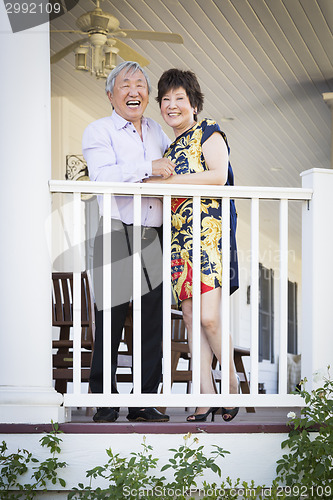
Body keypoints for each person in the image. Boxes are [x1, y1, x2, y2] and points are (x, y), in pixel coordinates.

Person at [82, 61, 175, 423]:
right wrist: (148, 169)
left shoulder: (157, 131)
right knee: (111, 320)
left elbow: (175, 169)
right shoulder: (99, 130)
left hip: (154, 233)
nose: (134, 91)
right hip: (117, 230)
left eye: (140, 85)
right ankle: (105, 401)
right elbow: (103, 177)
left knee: (152, 320)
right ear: (110, 94)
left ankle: (144, 402)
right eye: (125, 85)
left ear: (148, 95)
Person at [145, 68, 240, 422]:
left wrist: (173, 181)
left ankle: (230, 387)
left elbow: (218, 176)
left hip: (207, 236)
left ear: (194, 104)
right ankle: (204, 397)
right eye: (166, 99)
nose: (172, 105)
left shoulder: (208, 132)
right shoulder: (169, 147)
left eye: (179, 99)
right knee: (189, 317)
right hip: (179, 241)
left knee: (209, 318)